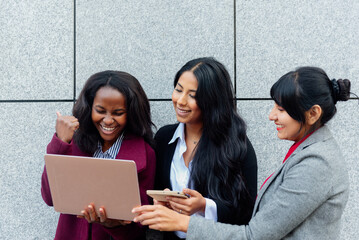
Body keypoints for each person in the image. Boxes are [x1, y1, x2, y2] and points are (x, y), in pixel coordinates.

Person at [133, 66, 351, 240]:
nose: (271, 116)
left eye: (281, 110)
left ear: (313, 114)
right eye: (179, 89)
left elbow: (254, 233)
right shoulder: (309, 151)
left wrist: (183, 222)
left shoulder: (317, 163)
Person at [141, 57, 258, 239]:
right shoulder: (164, 138)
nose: (180, 101)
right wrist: (162, 202)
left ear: (212, 100)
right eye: (178, 90)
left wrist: (204, 206)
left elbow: (245, 211)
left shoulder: (236, 145)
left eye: (192, 95)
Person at [41, 70, 156, 240]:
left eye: (118, 113)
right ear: (89, 108)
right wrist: (60, 142)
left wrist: (113, 224)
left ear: (131, 113)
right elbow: (50, 198)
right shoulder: (73, 144)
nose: (108, 120)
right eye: (100, 110)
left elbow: (140, 227)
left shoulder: (146, 155)